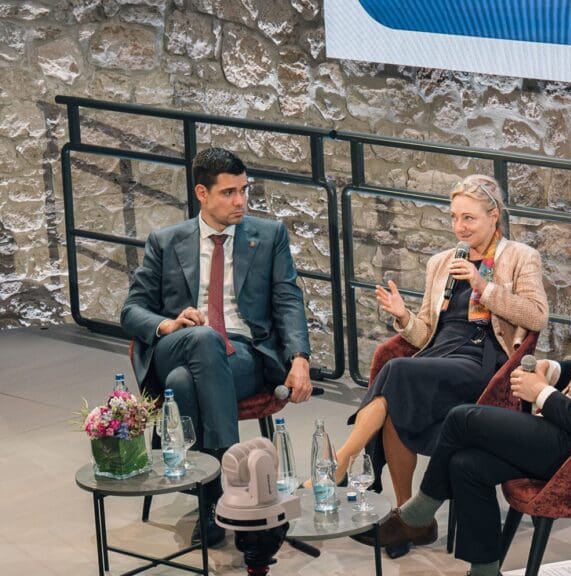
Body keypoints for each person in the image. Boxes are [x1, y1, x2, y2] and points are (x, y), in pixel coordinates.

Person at [373, 227, 571, 576]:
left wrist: (541, 394)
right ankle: (485, 570)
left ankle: (418, 512)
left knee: (463, 418)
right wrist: (554, 370)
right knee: (465, 465)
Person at [326, 174, 548, 547]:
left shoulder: (520, 257)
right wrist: (403, 316)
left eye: (468, 218)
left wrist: (483, 286)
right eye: (454, 218)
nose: (458, 227)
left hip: (483, 361)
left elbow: (537, 316)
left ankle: (344, 458)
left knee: (396, 373)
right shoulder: (441, 261)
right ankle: (407, 516)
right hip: (439, 355)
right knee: (397, 397)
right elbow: (426, 333)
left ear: (494, 216)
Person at [120, 147, 312, 548]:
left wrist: (300, 359)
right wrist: (168, 323)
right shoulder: (165, 241)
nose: (240, 201)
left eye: (244, 190)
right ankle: (237, 481)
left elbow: (288, 299)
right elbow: (132, 310)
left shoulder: (269, 235)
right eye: (228, 192)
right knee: (202, 339)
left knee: (181, 383)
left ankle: (210, 499)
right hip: (179, 340)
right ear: (201, 194)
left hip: (244, 353)